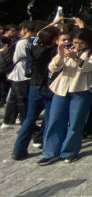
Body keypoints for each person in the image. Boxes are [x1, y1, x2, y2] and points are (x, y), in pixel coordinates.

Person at [39, 28, 92, 165]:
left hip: (81, 88)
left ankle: (69, 151)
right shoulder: (67, 49)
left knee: (76, 122)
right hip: (61, 88)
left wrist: (76, 58)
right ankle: (50, 152)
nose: (77, 46)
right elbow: (53, 68)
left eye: (81, 43)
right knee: (55, 120)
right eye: (75, 42)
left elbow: (89, 67)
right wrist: (61, 55)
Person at [12, 26, 60, 160]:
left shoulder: (32, 47)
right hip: (50, 85)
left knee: (30, 118)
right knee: (50, 118)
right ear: (53, 38)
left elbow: (38, 34)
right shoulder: (54, 50)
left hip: (34, 84)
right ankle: (47, 147)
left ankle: (18, 149)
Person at [3, 20, 43, 129]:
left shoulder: (24, 41)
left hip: (20, 73)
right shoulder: (24, 42)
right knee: (22, 99)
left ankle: (8, 120)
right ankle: (25, 122)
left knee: (14, 98)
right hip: (21, 73)